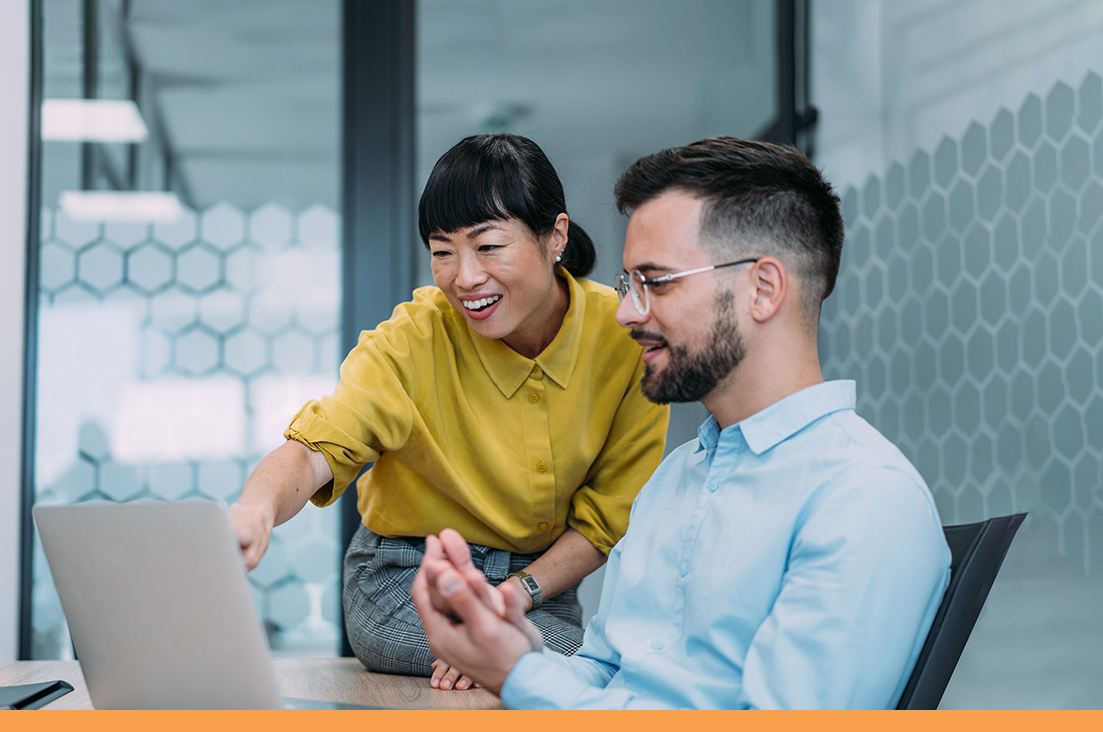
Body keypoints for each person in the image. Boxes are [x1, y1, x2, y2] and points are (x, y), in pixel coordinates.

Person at [412, 137, 952, 709]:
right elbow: (603, 674)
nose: (626, 312)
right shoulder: (675, 481)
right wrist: (507, 649)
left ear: (763, 289)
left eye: (658, 282)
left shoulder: (864, 499)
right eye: (629, 285)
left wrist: (519, 673)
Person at [229, 133, 669, 687]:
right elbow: (318, 448)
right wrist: (256, 508)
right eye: (443, 251)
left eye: (488, 247)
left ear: (555, 236)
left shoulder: (625, 338)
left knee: (587, 664)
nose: (464, 278)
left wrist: (507, 602)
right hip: (404, 581)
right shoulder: (412, 339)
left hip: (541, 590)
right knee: (578, 668)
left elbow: (607, 521)